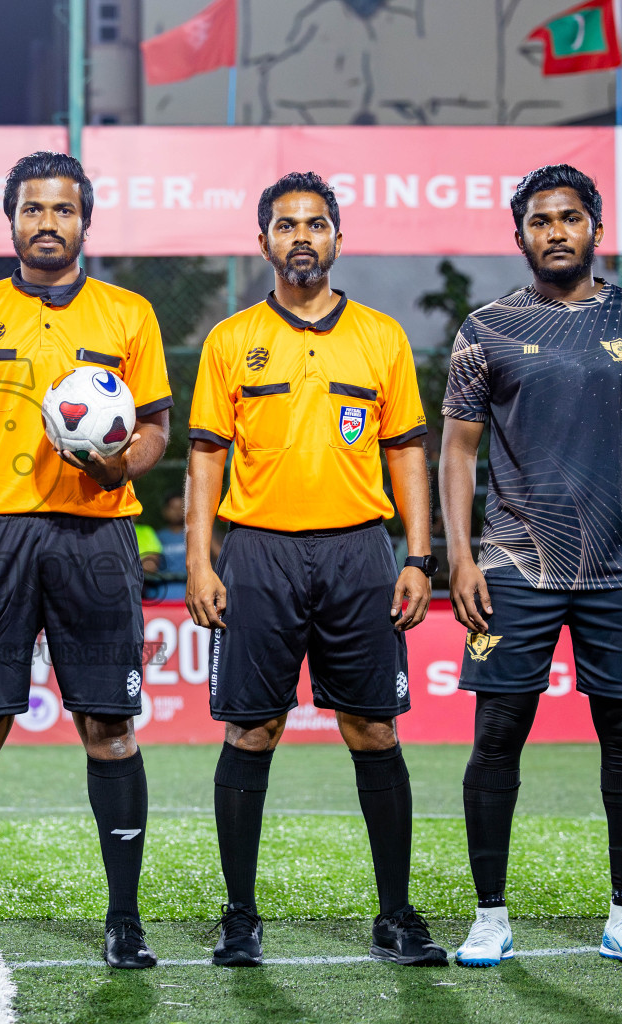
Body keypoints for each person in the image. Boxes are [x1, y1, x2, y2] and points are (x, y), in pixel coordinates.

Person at [440, 164, 622, 969]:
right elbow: (457, 450)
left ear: (595, 227)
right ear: (518, 236)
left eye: (570, 217)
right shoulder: (484, 329)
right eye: (540, 221)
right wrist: (458, 554)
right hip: (514, 564)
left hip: (620, 567)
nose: (556, 231)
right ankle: (490, 915)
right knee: (496, 736)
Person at [0, 151, 173, 969]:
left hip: (97, 532)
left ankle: (124, 919)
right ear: (13, 220)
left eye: (63, 210)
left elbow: (157, 432)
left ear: (84, 219)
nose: (47, 223)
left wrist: (118, 465)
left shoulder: (128, 314)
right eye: (33, 209)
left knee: (109, 726)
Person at [186, 171, 444, 968]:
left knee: (372, 726)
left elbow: (406, 450)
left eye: (316, 224)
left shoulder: (381, 336)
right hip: (258, 551)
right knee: (252, 729)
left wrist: (419, 554)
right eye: (286, 224)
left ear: (338, 237)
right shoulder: (230, 341)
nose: (302, 236)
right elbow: (204, 457)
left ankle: (395, 915)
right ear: (261, 240)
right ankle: (239, 917)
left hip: (360, 551)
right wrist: (200, 559)